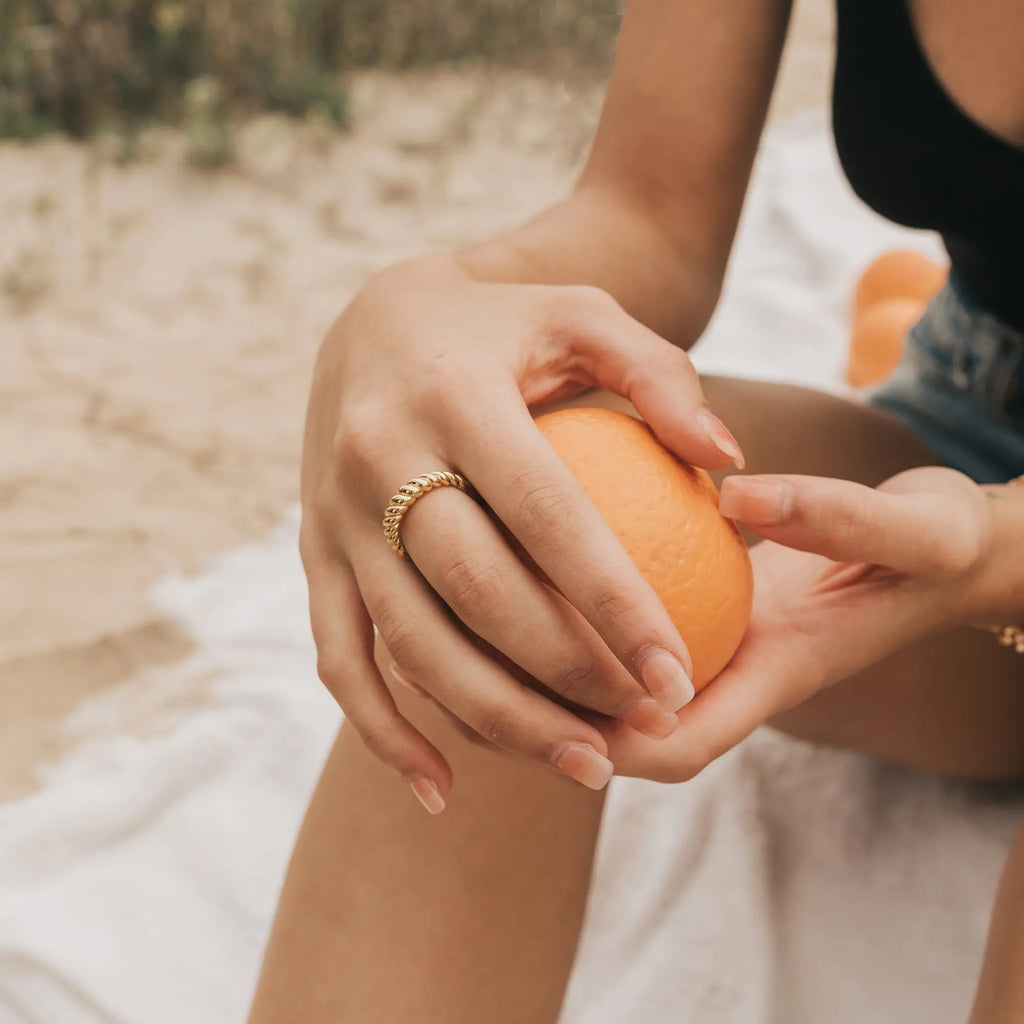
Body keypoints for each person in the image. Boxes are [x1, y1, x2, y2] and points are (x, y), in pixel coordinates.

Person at [248, 1, 1024, 1020]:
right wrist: (431, 306)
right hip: (977, 411)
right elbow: (652, 207)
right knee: (515, 522)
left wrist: (1002, 549)